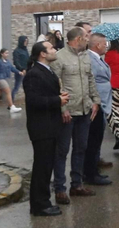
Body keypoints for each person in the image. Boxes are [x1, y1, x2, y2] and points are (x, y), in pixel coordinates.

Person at [53, 27, 101, 203]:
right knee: (62, 150)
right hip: (68, 112)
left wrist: (95, 100)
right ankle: (60, 188)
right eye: (86, 37)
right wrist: (62, 109)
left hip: (84, 110)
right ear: (79, 38)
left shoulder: (85, 56)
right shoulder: (59, 57)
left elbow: (90, 79)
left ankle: (77, 185)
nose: (88, 39)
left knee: (81, 148)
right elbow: (55, 85)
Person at [21, 40, 68, 217]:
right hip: (42, 127)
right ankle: (39, 205)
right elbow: (33, 101)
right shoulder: (34, 74)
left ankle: (44, 201)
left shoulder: (47, 71)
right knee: (42, 167)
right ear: (42, 53)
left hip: (50, 125)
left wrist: (58, 97)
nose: (54, 50)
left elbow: (45, 95)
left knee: (47, 166)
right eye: (51, 48)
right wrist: (58, 100)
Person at [83, 33, 114, 187]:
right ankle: (91, 174)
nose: (106, 46)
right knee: (93, 141)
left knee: (96, 140)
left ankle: (93, 170)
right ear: (97, 45)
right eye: (104, 44)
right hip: (96, 105)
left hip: (102, 103)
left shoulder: (97, 58)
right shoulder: (91, 59)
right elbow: (91, 82)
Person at [0, 49, 20, 113]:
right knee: (8, 91)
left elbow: (12, 68)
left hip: (4, 78)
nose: (7, 54)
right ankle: (11, 107)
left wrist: (19, 72)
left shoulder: (7, 61)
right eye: (6, 53)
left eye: (8, 53)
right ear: (1, 54)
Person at [11, 35, 30, 105]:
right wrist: (22, 69)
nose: (26, 42)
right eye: (25, 41)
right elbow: (16, 62)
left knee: (28, 86)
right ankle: (11, 102)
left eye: (27, 41)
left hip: (27, 70)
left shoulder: (25, 50)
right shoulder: (16, 51)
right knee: (17, 86)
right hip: (20, 71)